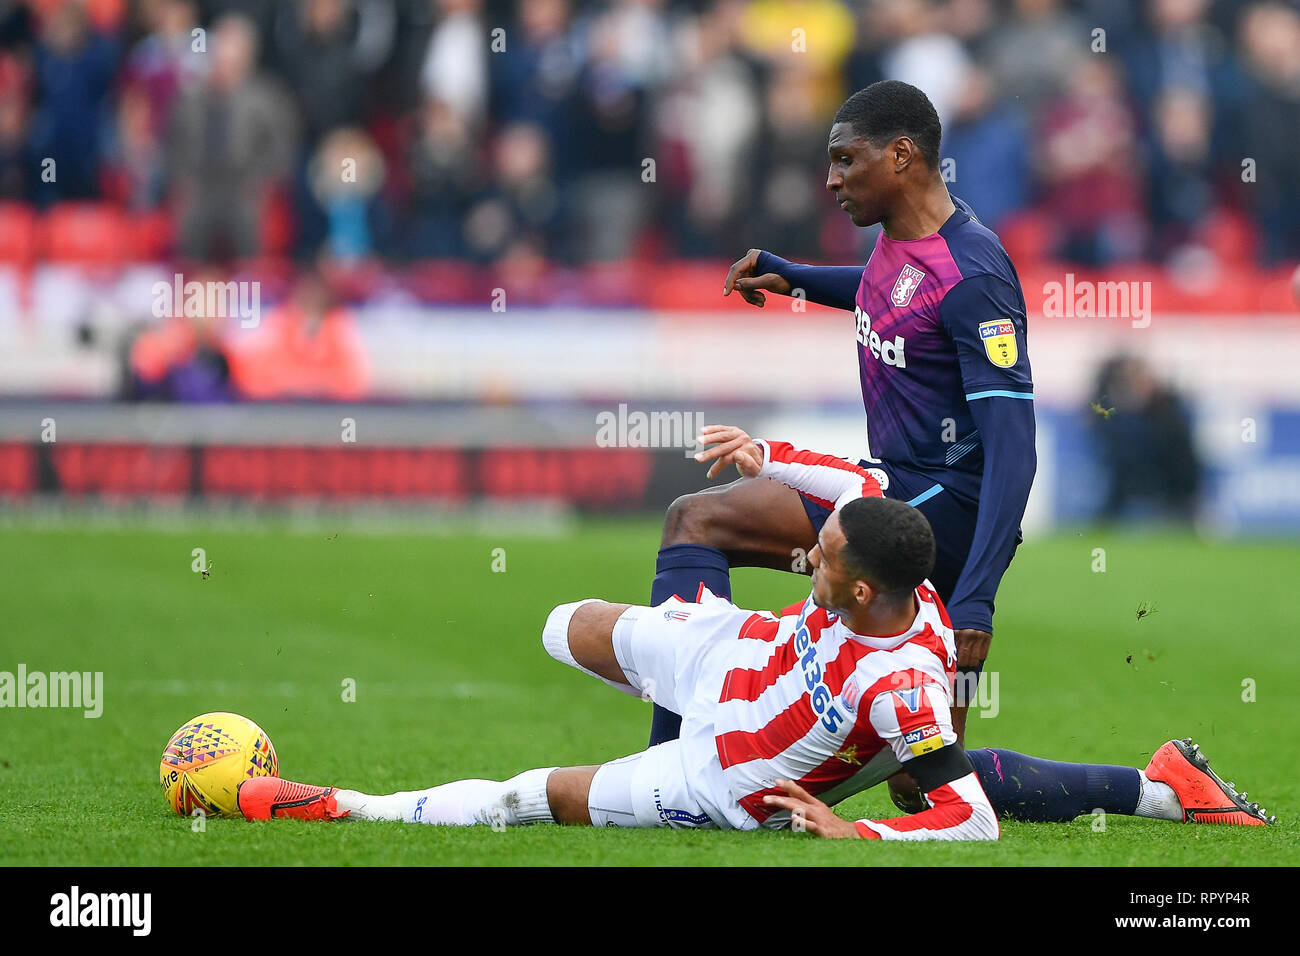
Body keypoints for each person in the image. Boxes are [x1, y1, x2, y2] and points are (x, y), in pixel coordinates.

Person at [237, 428, 1273, 835]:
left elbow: (968, 821)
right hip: (732, 652)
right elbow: (849, 482)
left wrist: (846, 828)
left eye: (820, 557)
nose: (806, 555)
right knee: (560, 624)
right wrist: (765, 450)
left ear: (862, 592)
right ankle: (1159, 783)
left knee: (527, 796)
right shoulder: (871, 534)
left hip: (725, 775)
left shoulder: (906, 678)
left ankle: (345, 805)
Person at [646, 81, 1037, 817]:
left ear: (902, 155)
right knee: (923, 783)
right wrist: (796, 277)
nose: (830, 180)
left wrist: (978, 595)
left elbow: (1016, 451)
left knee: (698, 521)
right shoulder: (909, 246)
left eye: (844, 161)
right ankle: (1151, 789)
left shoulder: (977, 277)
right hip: (903, 491)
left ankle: (671, 770)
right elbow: (887, 292)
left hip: (942, 513)